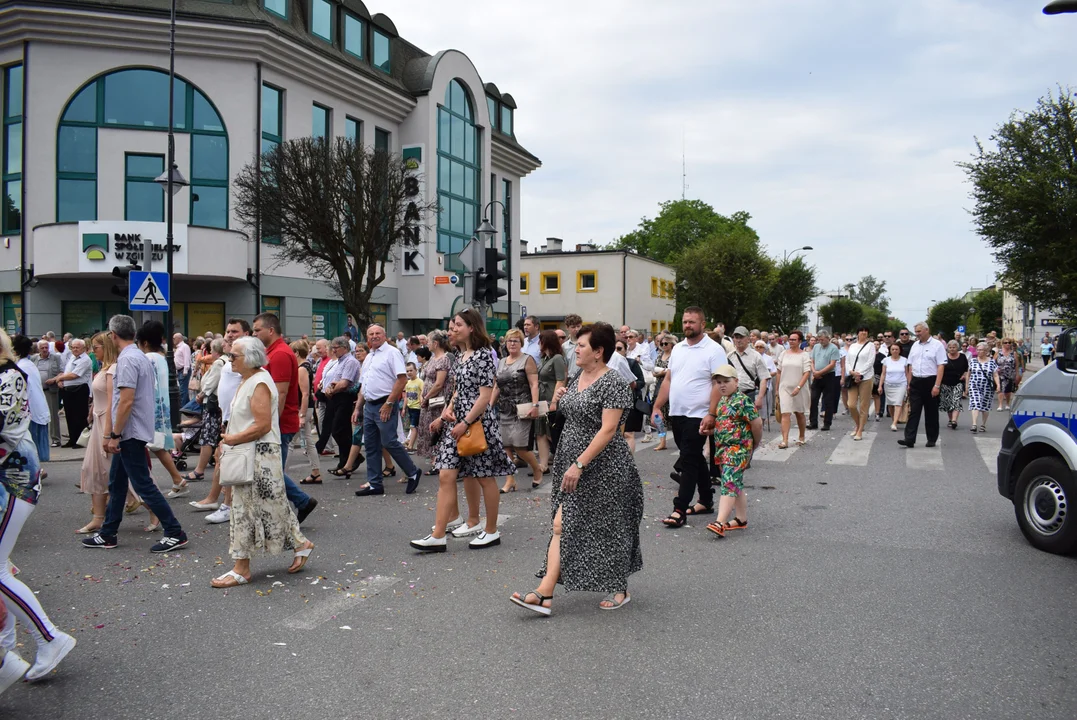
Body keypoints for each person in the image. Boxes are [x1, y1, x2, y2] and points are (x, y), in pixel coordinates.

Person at [510, 322, 642, 615]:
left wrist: (580, 465)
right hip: (572, 462)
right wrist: (554, 404)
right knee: (561, 524)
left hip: (604, 467)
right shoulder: (578, 376)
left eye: (581, 345)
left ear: (598, 351)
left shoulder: (614, 383)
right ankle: (545, 593)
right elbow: (569, 414)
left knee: (611, 526)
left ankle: (619, 587)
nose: (575, 349)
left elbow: (609, 430)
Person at [0, 330, 78, 684]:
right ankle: (9, 648)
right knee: (3, 567)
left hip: (15, 481)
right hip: (12, 480)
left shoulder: (8, 375)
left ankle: (48, 638)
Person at [210, 337, 315, 588]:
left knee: (245, 509)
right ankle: (300, 543)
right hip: (251, 451)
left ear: (251, 358)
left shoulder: (258, 381)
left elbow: (262, 425)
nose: (230, 359)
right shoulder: (248, 379)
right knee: (268, 504)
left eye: (235, 356)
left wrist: (232, 439)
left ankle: (241, 568)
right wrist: (225, 441)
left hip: (258, 452)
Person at [82, 314, 188, 553]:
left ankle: (175, 531)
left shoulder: (128, 359)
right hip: (133, 430)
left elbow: (126, 401)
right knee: (117, 483)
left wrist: (114, 434)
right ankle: (108, 532)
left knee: (142, 483)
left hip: (130, 431)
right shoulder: (137, 356)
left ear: (113, 335)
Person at [411, 308, 515, 551]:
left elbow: (485, 396)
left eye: (457, 324)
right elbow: (458, 390)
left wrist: (465, 422)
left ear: (471, 327)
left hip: (477, 423)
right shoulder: (459, 356)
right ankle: (438, 534)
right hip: (456, 422)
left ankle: (491, 530)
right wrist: (447, 410)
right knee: (446, 474)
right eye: (452, 324)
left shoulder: (483, 355)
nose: (453, 329)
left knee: (483, 477)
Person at [651, 307, 727, 527]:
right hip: (678, 412)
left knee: (688, 460)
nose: (687, 326)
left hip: (700, 414)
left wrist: (712, 413)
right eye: (685, 322)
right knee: (693, 456)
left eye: (692, 322)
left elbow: (718, 383)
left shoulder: (714, 350)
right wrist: (657, 406)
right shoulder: (679, 349)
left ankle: (679, 508)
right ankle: (705, 500)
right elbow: (668, 380)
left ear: (703, 324)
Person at [252, 313, 316, 522]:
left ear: (270, 330)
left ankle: (299, 503)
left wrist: (271, 424)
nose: (254, 334)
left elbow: (279, 393)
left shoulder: (279, 353)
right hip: (278, 421)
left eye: (257, 330)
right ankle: (297, 503)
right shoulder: (274, 351)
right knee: (270, 470)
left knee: (271, 470)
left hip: (280, 422)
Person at [353, 325, 422, 496]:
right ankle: (375, 483)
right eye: (371, 334)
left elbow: (402, 379)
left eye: (378, 333)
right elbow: (364, 385)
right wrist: (357, 408)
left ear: (384, 335)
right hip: (369, 405)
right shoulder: (369, 356)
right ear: (367, 337)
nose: (374, 336)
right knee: (370, 445)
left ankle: (412, 471)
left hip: (385, 404)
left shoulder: (392, 353)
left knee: (389, 442)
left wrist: (389, 403)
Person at [703, 365, 762, 538]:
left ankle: (720, 522)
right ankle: (740, 518)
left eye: (726, 382)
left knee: (728, 483)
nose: (722, 385)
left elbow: (756, 424)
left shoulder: (742, 400)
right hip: (724, 449)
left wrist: (754, 443)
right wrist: (711, 432)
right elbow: (726, 425)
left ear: (736, 381)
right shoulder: (723, 400)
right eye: (719, 382)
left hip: (738, 449)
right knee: (735, 483)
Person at [136, 320, 189, 503]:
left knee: (152, 446)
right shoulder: (162, 358)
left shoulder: (148, 359)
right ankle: (176, 480)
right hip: (161, 407)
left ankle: (147, 487)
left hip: (150, 408)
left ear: (143, 342)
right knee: (157, 446)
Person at [492, 329, 541, 493]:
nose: (512, 344)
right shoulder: (501, 361)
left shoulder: (527, 360)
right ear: (505, 343)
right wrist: (489, 405)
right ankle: (510, 480)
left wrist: (535, 405)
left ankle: (537, 469)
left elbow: (534, 384)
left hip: (523, 408)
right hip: (504, 408)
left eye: (516, 341)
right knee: (505, 446)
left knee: (520, 447)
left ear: (521, 343)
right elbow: (496, 386)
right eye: (509, 341)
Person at [77, 332, 116, 534]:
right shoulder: (104, 368)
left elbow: (112, 404)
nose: (93, 351)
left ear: (106, 347)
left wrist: (108, 433)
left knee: (118, 473)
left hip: (105, 425)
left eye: (96, 347)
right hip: (99, 423)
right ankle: (98, 518)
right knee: (93, 470)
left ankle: (153, 509)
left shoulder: (112, 369)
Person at [316, 336, 362, 477]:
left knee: (338, 430)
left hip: (345, 398)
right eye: (333, 347)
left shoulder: (350, 361)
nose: (333, 350)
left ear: (345, 347)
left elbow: (344, 383)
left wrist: (332, 390)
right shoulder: (339, 361)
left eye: (336, 348)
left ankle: (353, 458)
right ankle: (345, 461)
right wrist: (329, 388)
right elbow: (335, 381)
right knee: (337, 429)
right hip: (335, 397)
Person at [899, 322, 948, 449]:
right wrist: (909, 383)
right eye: (916, 332)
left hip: (930, 381)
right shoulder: (915, 345)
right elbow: (910, 365)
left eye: (919, 331)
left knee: (931, 412)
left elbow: (941, 366)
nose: (917, 334)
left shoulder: (937, 345)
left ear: (927, 330)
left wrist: (937, 385)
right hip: (916, 381)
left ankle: (931, 438)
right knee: (914, 411)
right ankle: (909, 438)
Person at [185, 338, 224, 481]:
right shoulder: (222, 361)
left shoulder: (219, 362)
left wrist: (201, 394)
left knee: (208, 437)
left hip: (212, 403)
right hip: (217, 403)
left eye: (212, 350)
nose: (211, 352)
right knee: (214, 436)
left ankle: (199, 470)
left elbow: (211, 382)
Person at [416, 331, 455, 475]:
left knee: (438, 431)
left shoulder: (444, 359)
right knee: (428, 429)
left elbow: (439, 383)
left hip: (437, 401)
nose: (426, 344)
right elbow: (426, 379)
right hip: (428, 399)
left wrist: (426, 397)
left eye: (428, 341)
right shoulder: (432, 358)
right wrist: (422, 394)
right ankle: (434, 460)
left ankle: (439, 461)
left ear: (436, 343)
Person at [13, 336, 50, 468]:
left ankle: (37, 469)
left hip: (30, 409)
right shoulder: (29, 365)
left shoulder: (20, 367)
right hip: (38, 406)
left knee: (30, 442)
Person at [291, 340, 322, 484]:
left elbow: (304, 393)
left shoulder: (302, 368)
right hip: (306, 407)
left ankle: (278, 474)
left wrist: (301, 415)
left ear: (296, 352)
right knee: (308, 440)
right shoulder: (306, 366)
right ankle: (316, 471)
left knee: (290, 441)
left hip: (303, 408)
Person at [775, 330, 811, 449]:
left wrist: (799, 387)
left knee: (799, 413)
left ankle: (801, 436)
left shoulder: (804, 355)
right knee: (785, 413)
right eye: (790, 339)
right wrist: (777, 388)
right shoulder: (784, 354)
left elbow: (806, 373)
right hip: (785, 387)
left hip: (799, 388)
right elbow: (779, 372)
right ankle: (785, 440)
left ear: (800, 341)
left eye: (794, 339)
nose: (791, 341)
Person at [55, 338, 92, 447]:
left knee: (79, 416)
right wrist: (61, 379)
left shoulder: (85, 359)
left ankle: (81, 441)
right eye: (73, 347)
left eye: (77, 347)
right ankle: (73, 439)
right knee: (70, 415)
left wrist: (59, 378)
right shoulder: (72, 357)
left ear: (83, 348)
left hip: (79, 389)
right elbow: (67, 372)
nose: (75, 349)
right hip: (68, 389)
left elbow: (74, 375)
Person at [845, 326, 877, 442]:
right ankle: (858, 424)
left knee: (864, 405)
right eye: (861, 331)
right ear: (857, 333)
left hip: (866, 377)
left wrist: (860, 374)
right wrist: (852, 372)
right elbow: (848, 360)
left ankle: (860, 429)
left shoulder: (871, 346)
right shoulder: (852, 346)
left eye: (866, 331)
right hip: (853, 377)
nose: (863, 333)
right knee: (851, 404)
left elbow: (870, 362)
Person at [615, 339, 646, 452]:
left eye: (619, 349)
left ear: (625, 350)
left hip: (630, 401)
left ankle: (629, 462)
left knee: (628, 433)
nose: (616, 352)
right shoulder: (608, 364)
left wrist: (632, 384)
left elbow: (641, 382)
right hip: (614, 403)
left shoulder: (631, 363)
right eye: (614, 348)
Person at [807, 330, 840, 431]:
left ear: (827, 338)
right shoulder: (816, 347)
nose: (820, 341)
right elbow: (812, 361)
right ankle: (813, 422)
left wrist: (820, 372)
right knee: (813, 399)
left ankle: (827, 423)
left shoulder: (833, 348)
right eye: (819, 339)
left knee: (828, 400)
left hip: (828, 376)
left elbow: (832, 364)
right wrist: (814, 372)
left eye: (822, 339)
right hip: (817, 375)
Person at [34, 341, 62, 448]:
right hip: (38, 391)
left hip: (51, 390)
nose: (45, 349)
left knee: (53, 415)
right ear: (39, 349)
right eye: (42, 348)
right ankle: (39, 439)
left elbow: (62, 372)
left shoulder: (55, 358)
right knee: (39, 415)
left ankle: (56, 439)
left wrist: (54, 379)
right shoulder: (34, 359)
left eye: (46, 347)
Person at [968, 342, 1001, 433]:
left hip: (987, 387)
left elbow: (995, 375)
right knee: (975, 402)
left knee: (985, 406)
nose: (979, 351)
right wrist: (966, 387)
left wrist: (998, 385)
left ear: (986, 351)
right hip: (974, 385)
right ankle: (974, 424)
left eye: (981, 350)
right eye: (978, 350)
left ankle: (983, 424)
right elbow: (969, 374)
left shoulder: (991, 362)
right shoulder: (972, 361)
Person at [878, 342, 910, 432]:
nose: (895, 351)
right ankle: (894, 419)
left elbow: (907, 374)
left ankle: (895, 423)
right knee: (890, 404)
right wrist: (880, 386)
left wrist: (908, 385)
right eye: (893, 349)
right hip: (888, 385)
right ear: (890, 351)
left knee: (898, 403)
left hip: (901, 384)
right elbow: (883, 374)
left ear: (900, 350)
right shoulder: (886, 360)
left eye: (896, 349)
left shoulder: (904, 360)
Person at [651, 334, 675, 451]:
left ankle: (678, 440)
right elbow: (654, 369)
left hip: (671, 386)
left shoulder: (674, 356)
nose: (663, 346)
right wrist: (657, 373)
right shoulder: (660, 355)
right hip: (659, 386)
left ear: (671, 344)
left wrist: (663, 373)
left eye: (666, 343)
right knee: (659, 417)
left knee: (672, 416)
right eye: (661, 343)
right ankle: (662, 441)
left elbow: (673, 371)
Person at [940, 340, 970, 430]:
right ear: (947, 348)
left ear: (957, 348)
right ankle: (950, 419)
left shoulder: (962, 357)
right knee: (948, 404)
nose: (952, 349)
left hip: (958, 383)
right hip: (945, 383)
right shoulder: (944, 357)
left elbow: (966, 369)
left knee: (956, 401)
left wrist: (964, 376)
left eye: (954, 347)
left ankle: (954, 420)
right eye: (950, 347)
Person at [403, 362, 424, 451]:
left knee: (413, 427)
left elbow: (423, 392)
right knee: (412, 427)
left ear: (416, 370)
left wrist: (421, 399)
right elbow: (406, 397)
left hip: (417, 407)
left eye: (411, 370)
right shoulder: (407, 383)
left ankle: (410, 445)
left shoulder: (419, 382)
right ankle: (410, 443)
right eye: (407, 371)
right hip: (410, 407)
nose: (409, 373)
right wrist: (404, 408)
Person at [996, 339, 1019, 411]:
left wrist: (1017, 374)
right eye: (1005, 343)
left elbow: (1016, 364)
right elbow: (993, 362)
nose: (1007, 344)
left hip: (1010, 373)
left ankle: (1007, 404)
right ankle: (1000, 404)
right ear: (1002, 344)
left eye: (1009, 343)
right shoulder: (998, 353)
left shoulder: (1013, 353)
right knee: (1000, 389)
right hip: (1000, 373)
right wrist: (996, 369)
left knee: (1008, 390)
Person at [174, 333, 192, 407]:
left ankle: (183, 406)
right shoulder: (179, 347)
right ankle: (187, 406)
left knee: (183, 390)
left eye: (174, 338)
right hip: (179, 370)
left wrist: (185, 370)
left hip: (183, 370)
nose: (173, 340)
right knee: (183, 389)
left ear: (179, 338)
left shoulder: (184, 347)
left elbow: (186, 358)